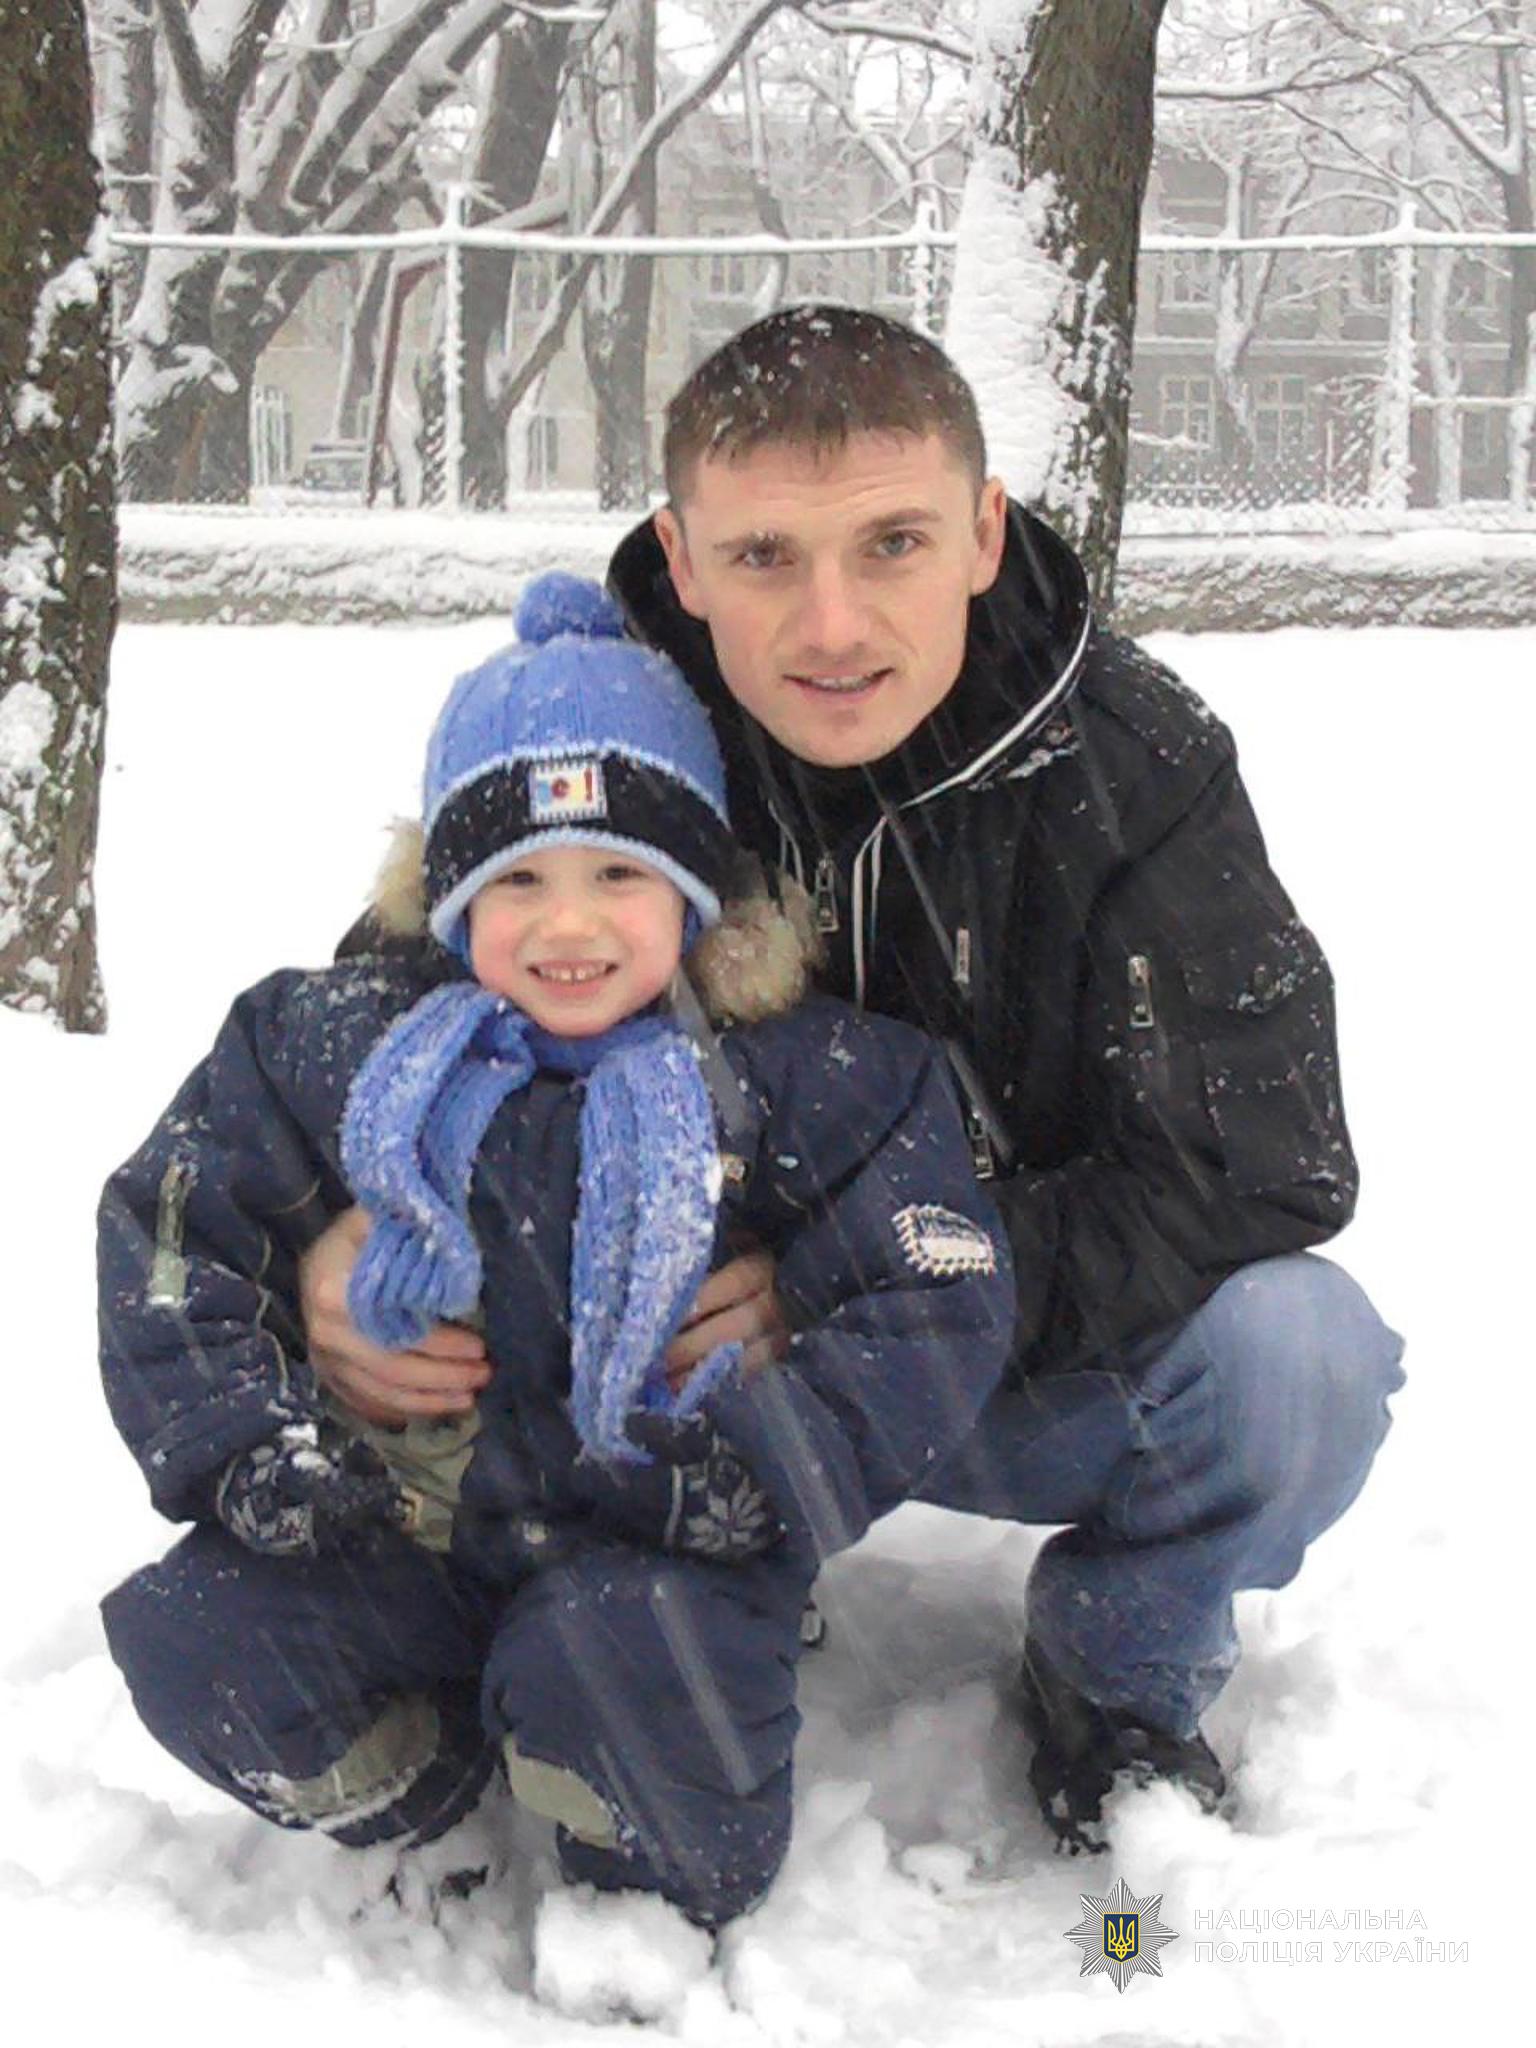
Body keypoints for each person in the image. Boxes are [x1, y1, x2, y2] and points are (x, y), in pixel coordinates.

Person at [302, 305, 1407, 1855]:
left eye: (892, 543)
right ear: (683, 559)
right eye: (764, 557)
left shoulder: (1133, 763)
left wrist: (860, 1287)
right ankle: (536, 1654)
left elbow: (1262, 1162)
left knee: (1303, 1361)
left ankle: (1117, 1672)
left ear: (982, 532)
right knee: (396, 1293)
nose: (831, 625)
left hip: (982, 1355)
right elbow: (373, 1008)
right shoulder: (596, 723)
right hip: (650, 1356)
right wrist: (340, 1218)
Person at [97, 572, 1016, 1930]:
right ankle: (433, 1788)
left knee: (636, 1687)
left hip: (661, 1553)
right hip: (403, 1533)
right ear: (450, 898)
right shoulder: (331, 1046)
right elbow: (172, 1232)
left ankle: (628, 1895)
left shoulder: (805, 1077)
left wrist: (759, 1468)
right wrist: (249, 1445)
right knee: (201, 1641)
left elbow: (932, 1294)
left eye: (619, 875)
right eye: (518, 879)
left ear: (694, 894)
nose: (569, 924)